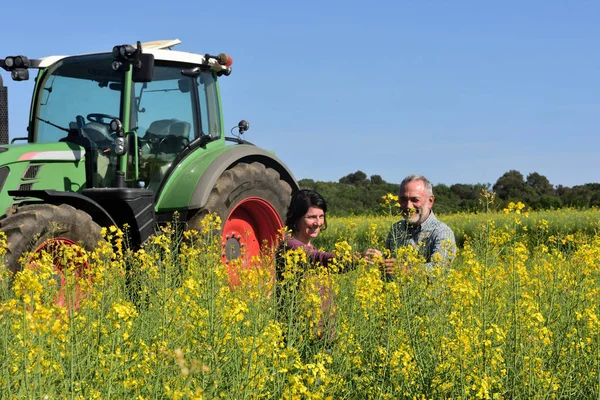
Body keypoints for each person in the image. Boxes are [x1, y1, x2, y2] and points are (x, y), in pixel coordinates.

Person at [365, 174, 456, 277]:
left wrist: (408, 270)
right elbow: (388, 270)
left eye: (415, 200)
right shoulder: (396, 228)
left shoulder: (442, 232)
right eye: (403, 200)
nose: (408, 206)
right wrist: (379, 260)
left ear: (430, 201)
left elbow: (440, 268)